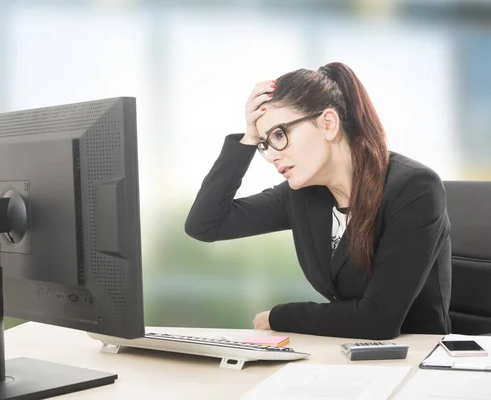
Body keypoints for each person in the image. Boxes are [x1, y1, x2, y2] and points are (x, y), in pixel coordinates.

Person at [184, 62, 452, 340]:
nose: (272, 155)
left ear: (328, 124)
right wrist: (248, 139)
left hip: (418, 361)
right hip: (345, 353)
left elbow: (378, 320)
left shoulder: (414, 189)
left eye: (279, 134)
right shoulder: (302, 196)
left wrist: (279, 316)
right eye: (265, 144)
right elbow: (204, 225)